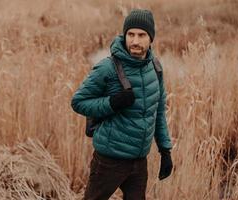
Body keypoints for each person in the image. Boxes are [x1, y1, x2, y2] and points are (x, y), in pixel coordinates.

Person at [71, 9, 173, 200]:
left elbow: (158, 111)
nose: (135, 41)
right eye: (130, 34)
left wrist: (165, 150)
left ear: (151, 38)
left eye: (141, 35)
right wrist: (112, 103)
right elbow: (78, 102)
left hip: (139, 162)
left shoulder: (155, 68)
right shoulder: (107, 68)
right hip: (109, 160)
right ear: (124, 35)